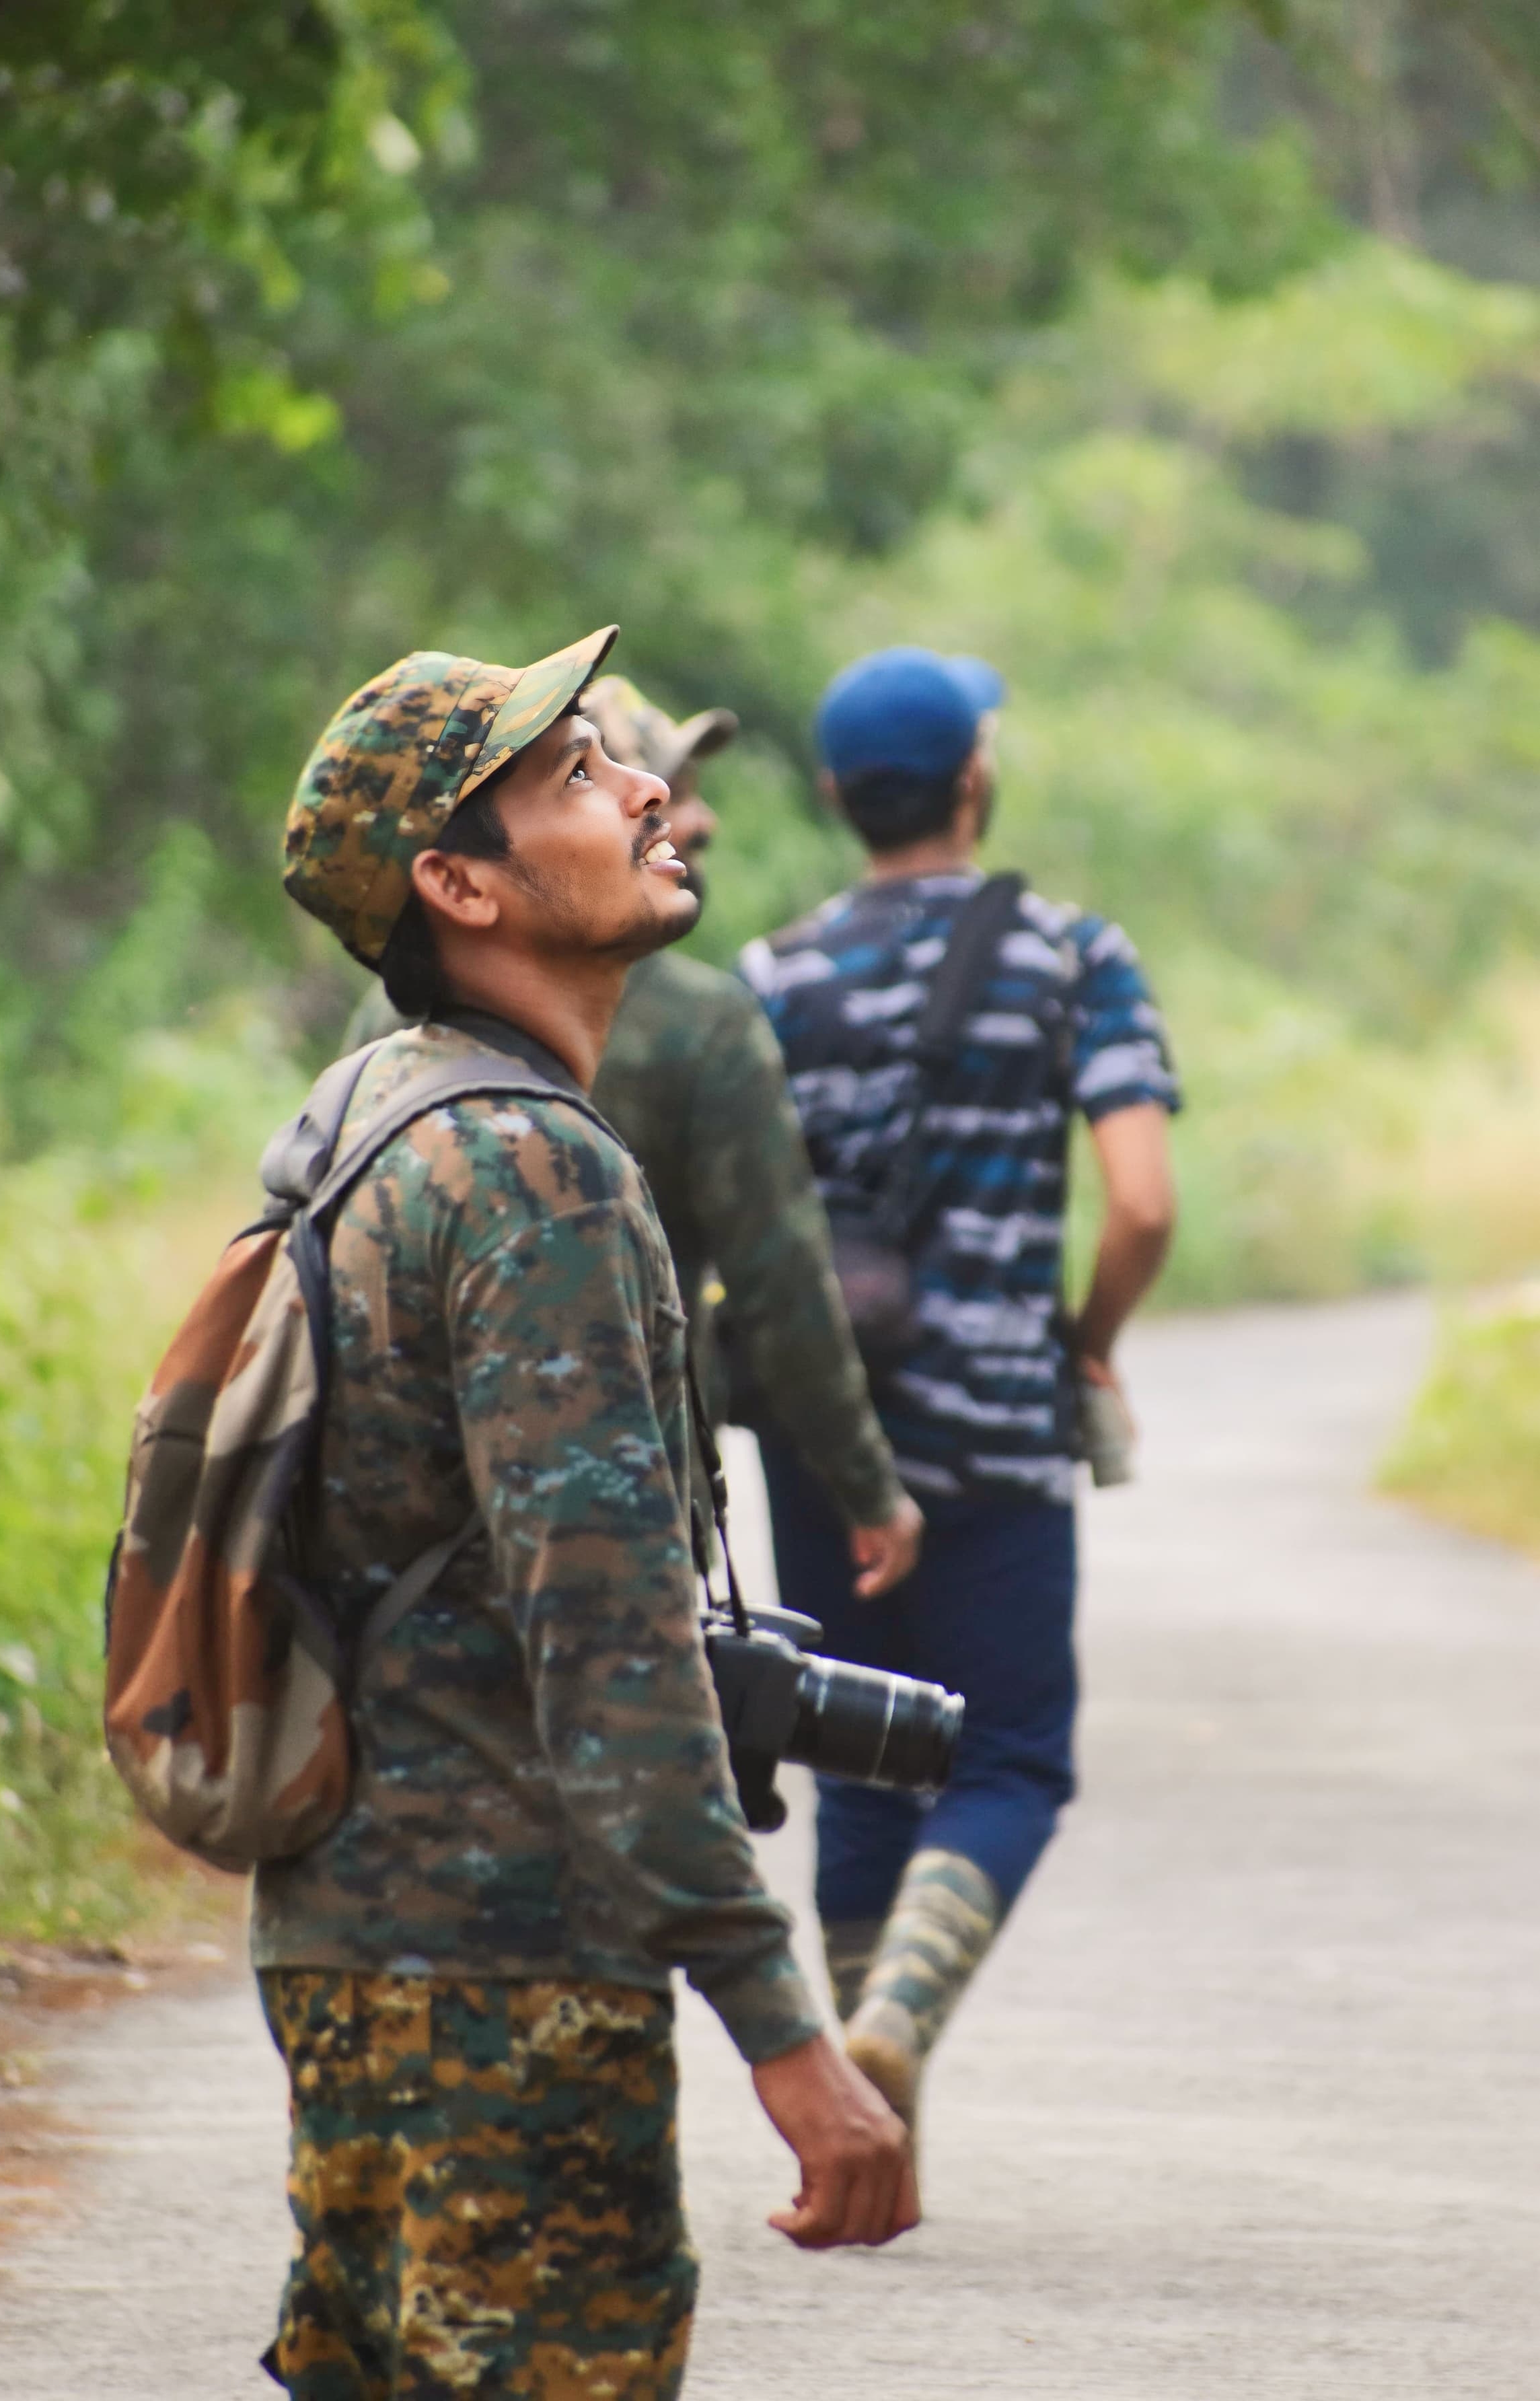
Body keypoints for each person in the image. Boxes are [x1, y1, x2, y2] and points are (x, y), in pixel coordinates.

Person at [262, 628, 916, 2401]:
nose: (643, 786)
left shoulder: (371, 1116)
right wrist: (790, 2036)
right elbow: (611, 1648)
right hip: (509, 1975)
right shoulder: (540, 1176)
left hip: (348, 1943)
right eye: (569, 776)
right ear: (456, 883)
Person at [739, 643, 1180, 2132]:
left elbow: (740, 1215)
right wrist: (1092, 1337)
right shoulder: (1074, 956)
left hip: (821, 1422)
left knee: (856, 1756)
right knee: (1003, 1755)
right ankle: (904, 2016)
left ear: (832, 797)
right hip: (995, 1422)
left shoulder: (774, 974)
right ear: (974, 778)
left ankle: (871, 2119)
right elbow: (1141, 1203)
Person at [348, 668, 924, 1602]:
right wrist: (865, 1484)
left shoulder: (379, 1044)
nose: (679, 816)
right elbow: (782, 1285)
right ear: (458, 884)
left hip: (406, 1564)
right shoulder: (698, 1036)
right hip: (626, 1530)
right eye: (589, 776)